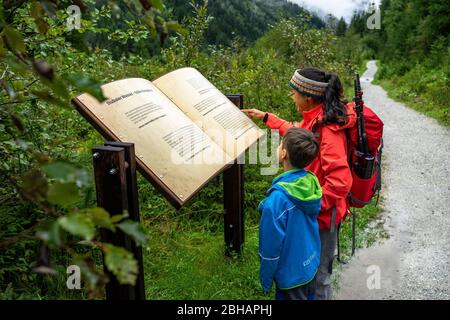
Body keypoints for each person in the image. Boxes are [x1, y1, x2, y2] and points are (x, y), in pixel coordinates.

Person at [243, 67, 356, 300]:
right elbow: (298, 132)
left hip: (322, 217)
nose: (291, 96)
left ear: (308, 96)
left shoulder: (328, 128)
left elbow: (341, 182)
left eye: (294, 92)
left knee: (319, 275)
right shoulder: (316, 117)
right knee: (309, 270)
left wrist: (313, 204)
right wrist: (267, 118)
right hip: (313, 213)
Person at [259, 127, 322, 300]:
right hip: (311, 265)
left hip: (291, 276)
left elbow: (270, 249)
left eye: (280, 145)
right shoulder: (310, 182)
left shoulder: (276, 202)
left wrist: (266, 280)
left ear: (284, 153)